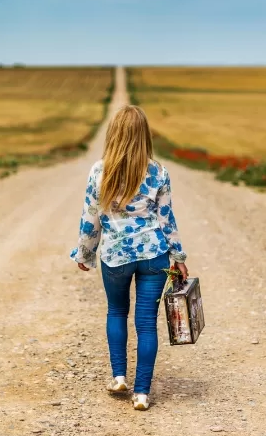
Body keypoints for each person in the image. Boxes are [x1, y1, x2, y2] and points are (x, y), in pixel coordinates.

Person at [70, 105, 189, 411]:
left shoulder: (100, 170)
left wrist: (85, 253)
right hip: (154, 255)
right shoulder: (159, 172)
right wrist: (178, 256)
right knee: (147, 324)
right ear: (144, 136)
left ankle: (120, 376)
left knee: (117, 312)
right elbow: (167, 219)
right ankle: (142, 394)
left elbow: (90, 219)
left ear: (114, 134)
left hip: (116, 256)